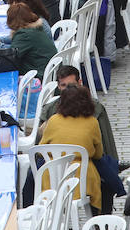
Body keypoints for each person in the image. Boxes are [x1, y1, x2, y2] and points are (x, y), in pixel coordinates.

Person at [37, 84, 104, 213]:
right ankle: (97, 221)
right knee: (104, 178)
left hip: (52, 177)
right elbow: (98, 154)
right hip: (81, 177)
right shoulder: (92, 122)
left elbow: (41, 149)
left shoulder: (53, 120)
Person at [0, 2, 57, 78]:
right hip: (48, 70)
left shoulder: (25, 35)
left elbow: (11, 56)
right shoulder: (34, 28)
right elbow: (16, 46)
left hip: (39, 73)